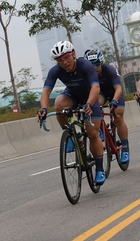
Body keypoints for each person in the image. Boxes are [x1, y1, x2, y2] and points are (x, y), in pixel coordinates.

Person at [37, 41, 106, 185]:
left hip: (90, 97)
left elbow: (95, 87)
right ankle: (71, 134)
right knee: (58, 104)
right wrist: (43, 109)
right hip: (72, 95)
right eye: (59, 60)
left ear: (73, 54)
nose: (64, 62)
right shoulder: (55, 71)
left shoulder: (85, 65)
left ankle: (100, 169)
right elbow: (46, 91)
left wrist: (89, 104)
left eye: (66, 57)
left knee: (92, 133)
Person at [84, 49, 129, 164]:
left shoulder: (109, 69)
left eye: (96, 64)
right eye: (91, 65)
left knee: (118, 116)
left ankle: (125, 148)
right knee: (95, 105)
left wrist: (114, 100)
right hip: (101, 93)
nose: (94, 67)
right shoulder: (87, 73)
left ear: (101, 62)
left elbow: (118, 88)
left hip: (114, 92)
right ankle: (100, 128)